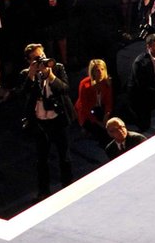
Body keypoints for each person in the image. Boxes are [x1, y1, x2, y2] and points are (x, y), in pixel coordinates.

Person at [21, 43, 75, 200]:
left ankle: (68, 186)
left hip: (58, 118)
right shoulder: (26, 74)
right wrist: (31, 75)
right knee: (42, 159)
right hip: (40, 122)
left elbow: (65, 89)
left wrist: (50, 76)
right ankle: (43, 191)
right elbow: (23, 93)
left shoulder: (57, 68)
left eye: (42, 56)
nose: (41, 60)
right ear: (29, 61)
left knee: (64, 155)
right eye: (36, 58)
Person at [75, 59, 114, 145]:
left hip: (100, 109)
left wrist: (106, 115)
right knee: (101, 133)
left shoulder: (106, 82)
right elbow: (84, 107)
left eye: (102, 69)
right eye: (97, 70)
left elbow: (108, 101)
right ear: (92, 72)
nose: (100, 72)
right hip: (87, 113)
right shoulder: (84, 84)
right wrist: (98, 122)